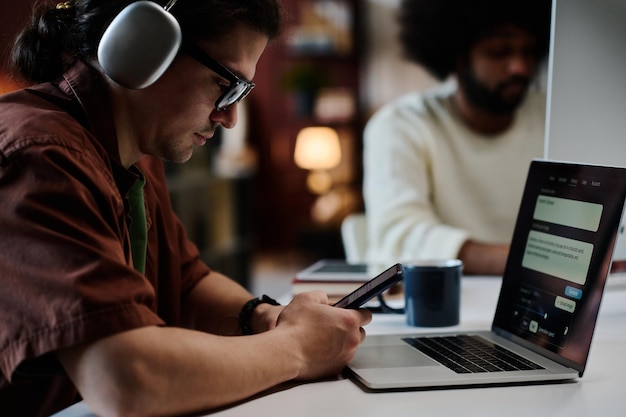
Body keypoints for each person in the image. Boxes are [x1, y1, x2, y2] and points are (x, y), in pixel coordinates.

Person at [0, 1, 371, 416]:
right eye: (224, 84)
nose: (230, 117)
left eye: (241, 92)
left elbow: (186, 282)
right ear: (144, 47)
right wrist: (298, 348)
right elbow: (124, 379)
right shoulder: (40, 157)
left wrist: (268, 318)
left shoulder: (136, 152)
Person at [362, 0, 552, 275]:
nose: (519, 68)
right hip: (444, 305)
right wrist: (534, 261)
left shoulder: (552, 115)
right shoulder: (402, 124)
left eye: (528, 51)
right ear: (458, 57)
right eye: (499, 52)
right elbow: (401, 237)